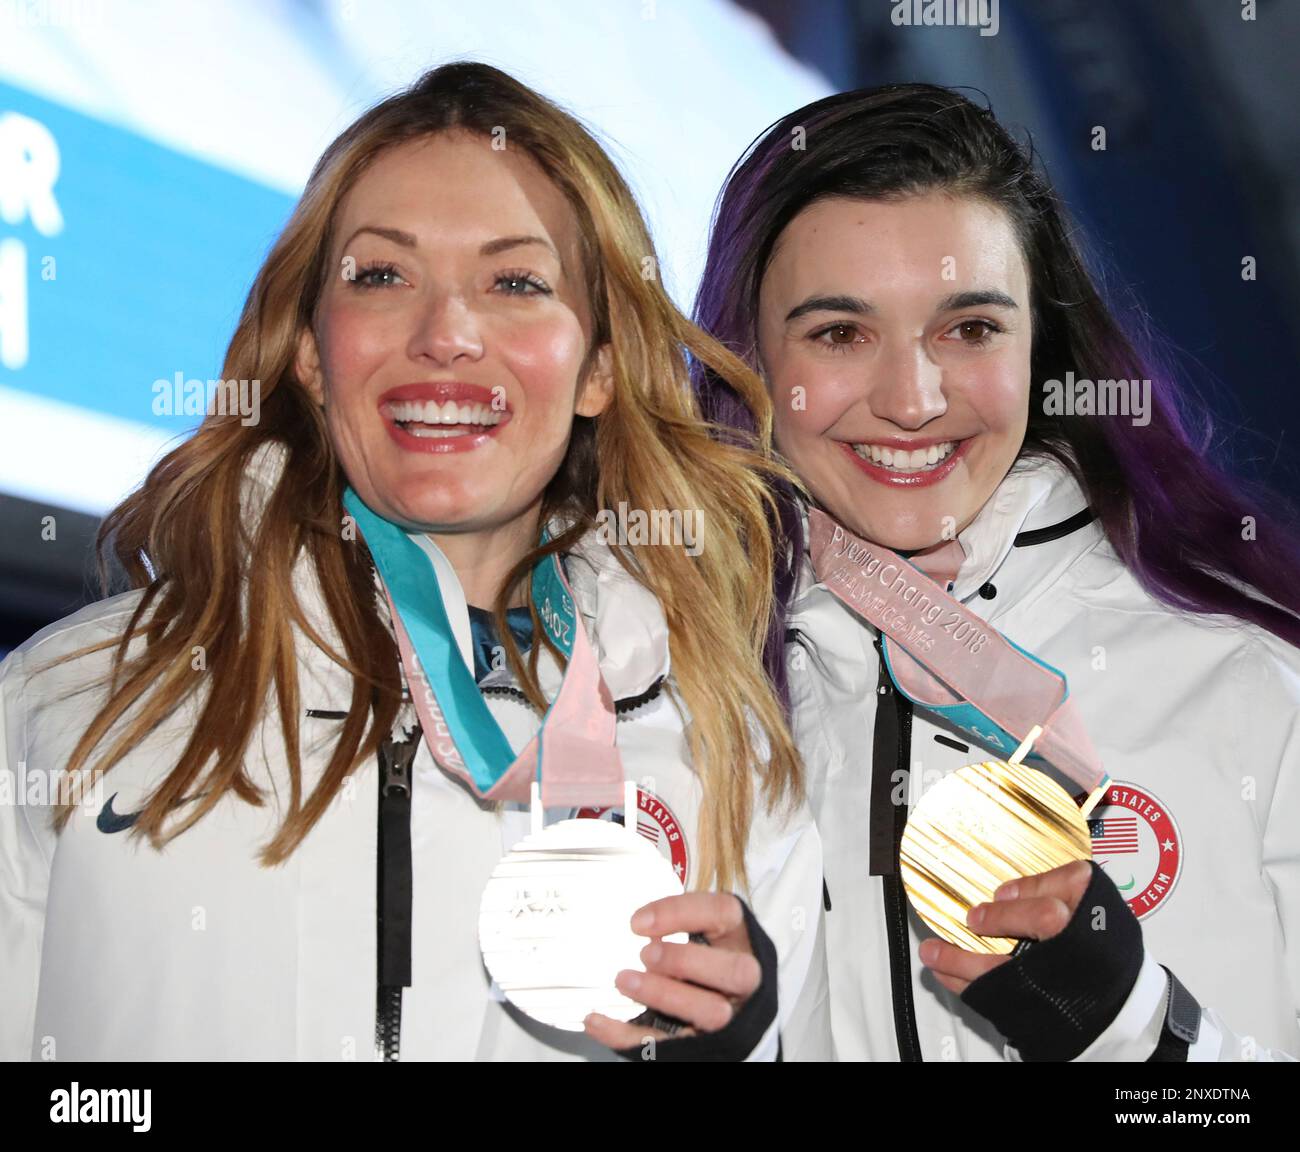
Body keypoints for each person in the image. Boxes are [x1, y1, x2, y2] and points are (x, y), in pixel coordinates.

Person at [0, 62, 830, 1062]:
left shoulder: (720, 751)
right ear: (311, 352)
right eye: (382, 277)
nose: (446, 335)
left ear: (599, 368)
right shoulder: (75, 696)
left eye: (515, 282)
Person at [692, 83, 1300, 1061]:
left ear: (1037, 345)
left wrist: (1131, 1032)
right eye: (838, 333)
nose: (912, 398)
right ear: (745, 361)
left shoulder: (1250, 686)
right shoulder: (687, 708)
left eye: (968, 329)